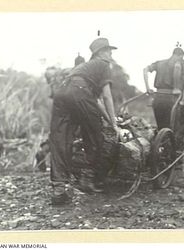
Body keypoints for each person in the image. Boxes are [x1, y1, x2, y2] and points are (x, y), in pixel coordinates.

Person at [49, 37, 120, 205]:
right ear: (101, 53)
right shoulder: (103, 65)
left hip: (62, 93)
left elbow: (94, 102)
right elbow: (106, 97)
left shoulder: (82, 67)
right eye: (109, 50)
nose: (111, 53)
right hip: (79, 92)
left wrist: (110, 120)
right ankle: (88, 180)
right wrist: (114, 125)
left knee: (60, 139)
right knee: (95, 134)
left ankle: (59, 189)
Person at [143, 47, 184, 131]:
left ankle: (161, 142)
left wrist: (147, 87)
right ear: (178, 55)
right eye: (181, 58)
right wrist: (176, 88)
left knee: (161, 127)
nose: (181, 60)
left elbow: (145, 69)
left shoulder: (159, 63)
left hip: (157, 98)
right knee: (172, 128)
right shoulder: (177, 64)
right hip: (170, 99)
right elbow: (177, 68)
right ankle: (168, 143)